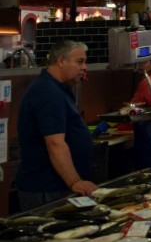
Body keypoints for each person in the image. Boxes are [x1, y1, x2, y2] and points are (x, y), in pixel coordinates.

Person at [15, 40, 97, 209]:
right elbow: (55, 143)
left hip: (56, 187)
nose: (84, 67)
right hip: (46, 191)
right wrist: (75, 182)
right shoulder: (48, 93)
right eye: (79, 62)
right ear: (60, 61)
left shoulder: (57, 89)